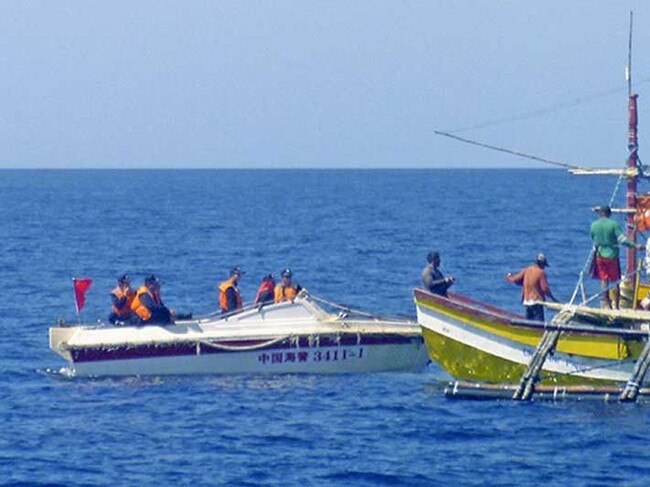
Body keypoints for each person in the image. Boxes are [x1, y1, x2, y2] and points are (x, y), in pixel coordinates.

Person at [590, 205, 643, 309]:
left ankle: (606, 303)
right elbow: (622, 240)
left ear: (600, 213)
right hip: (612, 256)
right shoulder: (613, 224)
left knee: (604, 280)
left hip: (599, 255)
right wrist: (635, 245)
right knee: (615, 281)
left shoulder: (594, 225)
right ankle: (617, 306)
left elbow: (594, 238)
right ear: (609, 213)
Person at [505, 254, 558, 322]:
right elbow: (545, 289)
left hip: (526, 302)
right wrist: (553, 298)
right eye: (544, 265)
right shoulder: (541, 273)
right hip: (537, 302)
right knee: (539, 324)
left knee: (528, 323)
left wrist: (509, 276)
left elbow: (515, 279)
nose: (544, 267)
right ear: (542, 264)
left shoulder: (526, 270)